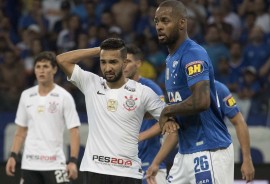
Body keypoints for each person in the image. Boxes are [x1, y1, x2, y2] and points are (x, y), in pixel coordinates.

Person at [146, 1, 255, 183]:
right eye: (157, 21)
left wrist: (167, 111)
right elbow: (178, 107)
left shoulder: (193, 53)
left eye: (165, 21)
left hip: (209, 150)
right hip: (184, 150)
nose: (159, 26)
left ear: (182, 23)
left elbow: (201, 101)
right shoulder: (170, 59)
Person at [56, 38, 178, 184]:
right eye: (103, 62)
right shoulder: (91, 83)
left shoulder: (143, 92)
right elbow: (62, 59)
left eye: (113, 62)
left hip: (127, 172)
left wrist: (166, 123)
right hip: (95, 170)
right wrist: (98, 51)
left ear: (124, 62)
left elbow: (169, 122)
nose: (107, 68)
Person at [5, 51, 81, 184]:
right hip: (30, 164)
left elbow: (74, 131)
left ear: (55, 69)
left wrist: (73, 161)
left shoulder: (64, 96)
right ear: (34, 70)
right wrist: (13, 156)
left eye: (45, 66)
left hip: (55, 163)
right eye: (38, 67)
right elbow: (20, 131)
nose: (41, 70)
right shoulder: (26, 95)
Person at [124, 44, 167, 184]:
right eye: (122, 62)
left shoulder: (151, 88)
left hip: (150, 164)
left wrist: (139, 137)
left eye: (128, 62)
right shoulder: (118, 89)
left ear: (138, 63)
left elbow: (164, 121)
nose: (124, 66)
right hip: (126, 165)